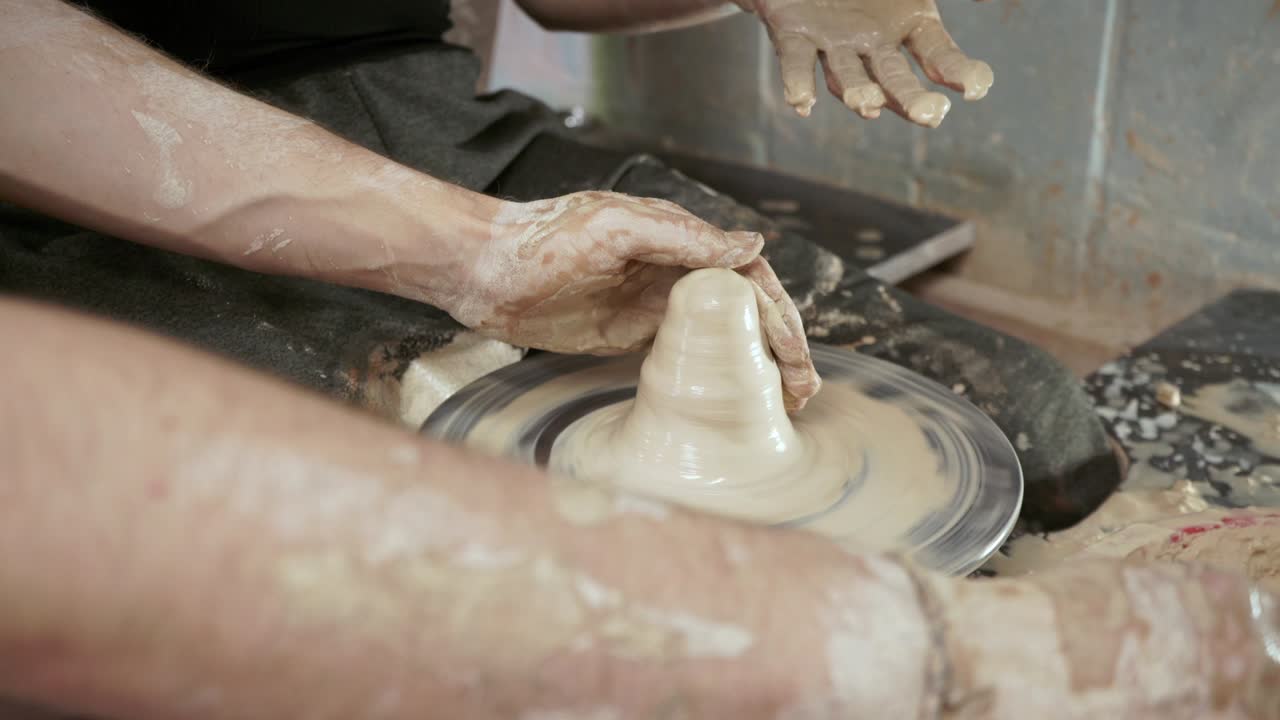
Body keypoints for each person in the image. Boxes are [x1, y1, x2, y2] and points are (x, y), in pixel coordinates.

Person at [0, 0, 1134, 716]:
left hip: (403, 103)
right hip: (95, 164)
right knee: (348, 601)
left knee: (1033, 425)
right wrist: (471, 252)